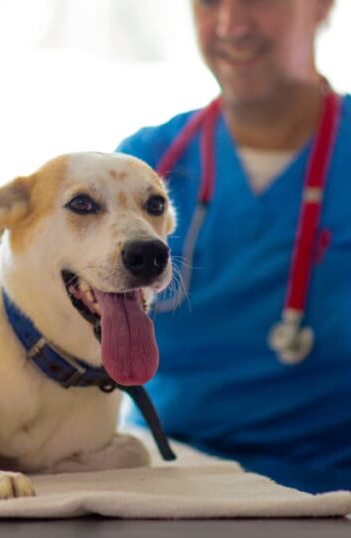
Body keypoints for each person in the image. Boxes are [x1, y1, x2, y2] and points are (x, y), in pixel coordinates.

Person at [117, 0, 350, 493]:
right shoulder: (144, 164)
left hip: (331, 491)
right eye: (208, 3)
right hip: (164, 478)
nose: (230, 25)